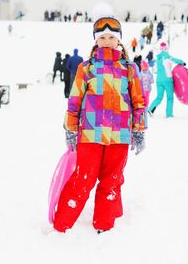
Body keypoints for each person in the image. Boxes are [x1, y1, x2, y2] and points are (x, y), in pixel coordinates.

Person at [53, 14, 147, 233]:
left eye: (111, 37)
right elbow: (74, 100)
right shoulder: (86, 68)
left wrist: (139, 131)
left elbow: (139, 102)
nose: (107, 41)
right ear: (95, 40)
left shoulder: (129, 69)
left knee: (111, 181)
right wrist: (71, 128)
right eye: (102, 37)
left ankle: (104, 227)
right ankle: (61, 225)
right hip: (90, 134)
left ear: (119, 40)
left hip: (120, 136)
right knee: (82, 180)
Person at [148, 42, 185, 118]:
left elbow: (154, 71)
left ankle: (150, 109)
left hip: (159, 80)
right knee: (170, 97)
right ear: (166, 49)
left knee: (159, 97)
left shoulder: (157, 59)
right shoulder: (168, 57)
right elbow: (175, 60)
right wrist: (182, 62)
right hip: (167, 80)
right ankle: (169, 114)